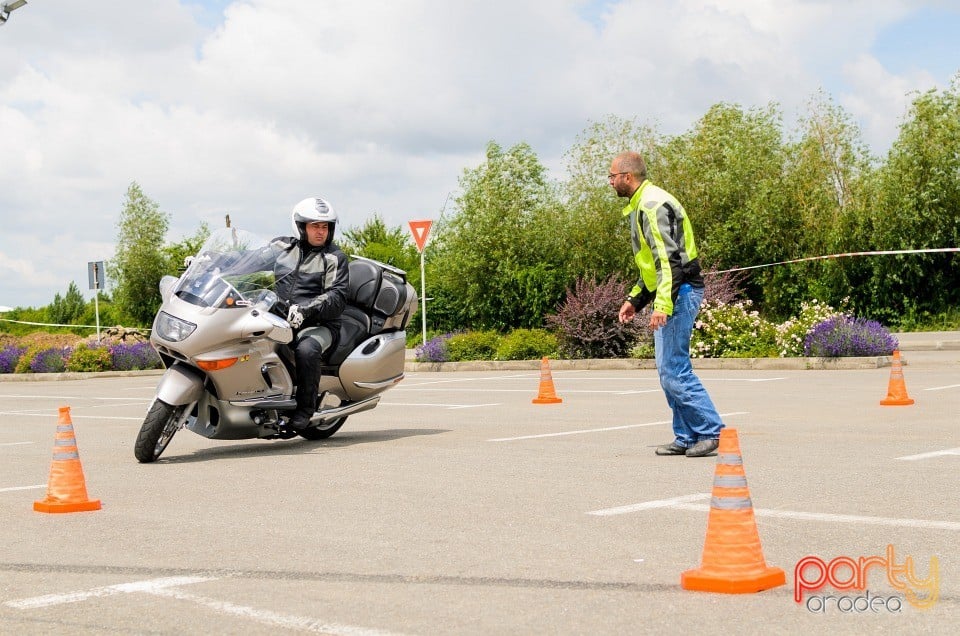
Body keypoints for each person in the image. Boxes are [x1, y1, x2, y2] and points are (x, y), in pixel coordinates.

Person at [609, 151, 724, 457]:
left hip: (680, 291)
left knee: (674, 368)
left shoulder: (651, 205)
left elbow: (669, 262)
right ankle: (686, 436)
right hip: (673, 290)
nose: (610, 183)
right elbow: (651, 267)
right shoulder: (641, 205)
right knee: (667, 369)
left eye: (612, 177)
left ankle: (710, 430)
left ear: (627, 177)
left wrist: (663, 305)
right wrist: (635, 299)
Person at [275, 196, 350, 430]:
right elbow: (247, 260)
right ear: (300, 227)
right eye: (315, 226)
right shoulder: (282, 248)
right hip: (281, 318)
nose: (321, 232)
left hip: (320, 324)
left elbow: (336, 297)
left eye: (325, 227)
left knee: (307, 349)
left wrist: (307, 309)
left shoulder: (334, 258)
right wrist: (209, 262)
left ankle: (305, 409)